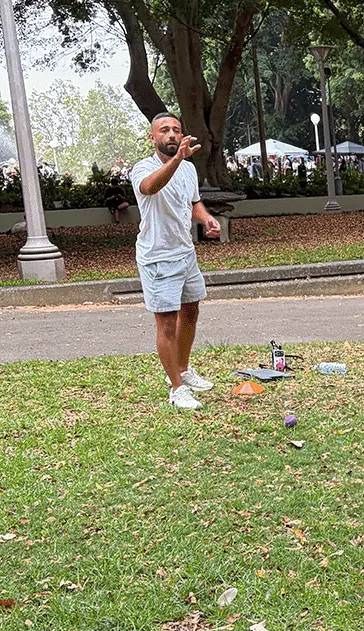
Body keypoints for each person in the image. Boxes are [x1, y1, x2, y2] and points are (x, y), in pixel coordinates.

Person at [129, 112, 221, 410]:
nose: (171, 134)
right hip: (158, 258)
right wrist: (178, 160)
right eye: (164, 130)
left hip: (185, 253)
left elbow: (192, 202)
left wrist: (206, 218)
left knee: (191, 311)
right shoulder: (143, 168)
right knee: (166, 322)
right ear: (152, 137)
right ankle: (176, 388)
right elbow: (151, 187)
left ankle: (182, 369)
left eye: (176, 130)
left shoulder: (188, 170)